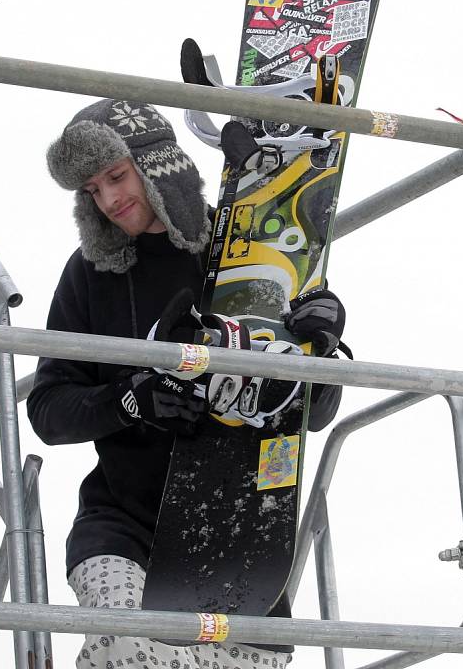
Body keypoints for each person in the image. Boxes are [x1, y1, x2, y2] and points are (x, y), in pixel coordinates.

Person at [28, 98, 346, 669]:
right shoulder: (89, 275)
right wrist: (128, 400)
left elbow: (311, 413)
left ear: (155, 165)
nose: (110, 199)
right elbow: (49, 411)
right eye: (93, 190)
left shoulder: (247, 254)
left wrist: (321, 347)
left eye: (117, 177)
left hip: (234, 534)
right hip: (123, 525)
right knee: (121, 646)